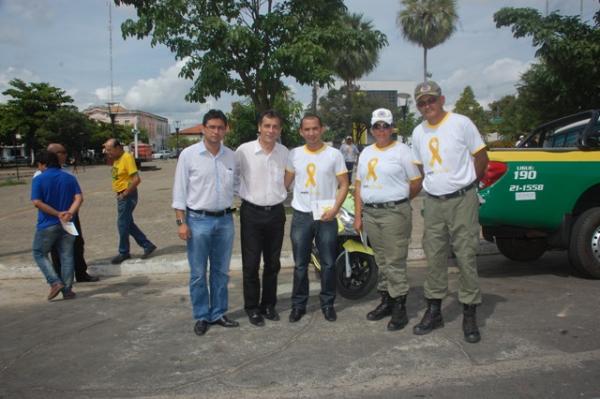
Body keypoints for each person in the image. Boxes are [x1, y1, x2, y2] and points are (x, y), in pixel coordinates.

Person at [410, 81, 489, 344]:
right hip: (433, 202)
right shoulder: (418, 132)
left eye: (431, 100)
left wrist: (467, 186)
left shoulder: (461, 123)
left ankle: (469, 311)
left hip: (462, 200)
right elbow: (421, 169)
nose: (427, 106)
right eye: (421, 103)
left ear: (441, 99)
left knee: (465, 255)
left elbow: (481, 157)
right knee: (433, 256)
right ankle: (434, 310)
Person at [353, 108, 422, 331]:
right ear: (372, 128)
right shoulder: (366, 152)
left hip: (394, 213)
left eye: (385, 126)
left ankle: (400, 307)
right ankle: (387, 301)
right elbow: (358, 185)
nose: (381, 130)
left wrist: (398, 200)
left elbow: (415, 182)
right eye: (377, 126)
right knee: (381, 260)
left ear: (392, 128)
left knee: (394, 261)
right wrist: (358, 214)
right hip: (371, 214)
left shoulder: (403, 151)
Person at [172, 109, 240, 336]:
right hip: (197, 220)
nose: (216, 131)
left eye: (220, 127)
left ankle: (218, 313)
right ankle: (201, 315)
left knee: (221, 272)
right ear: (203, 128)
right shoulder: (189, 155)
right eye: (212, 127)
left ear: (225, 130)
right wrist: (181, 222)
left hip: (225, 220)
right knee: (199, 273)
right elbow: (179, 191)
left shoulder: (231, 156)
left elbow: (239, 185)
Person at [284, 114, 349, 323]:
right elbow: (285, 183)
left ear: (322, 129)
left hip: (326, 216)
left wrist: (335, 209)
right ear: (301, 131)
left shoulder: (334, 154)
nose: (311, 133)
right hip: (302, 215)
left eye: (315, 129)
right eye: (307, 129)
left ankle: (328, 303)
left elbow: (344, 184)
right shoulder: (294, 154)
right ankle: (298, 305)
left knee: (328, 263)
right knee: (300, 264)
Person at [236, 109, 289, 327]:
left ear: (280, 130)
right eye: (267, 126)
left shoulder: (285, 152)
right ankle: (252, 307)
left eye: (275, 126)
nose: (271, 130)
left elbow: (289, 178)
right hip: (251, 213)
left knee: (272, 264)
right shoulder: (243, 151)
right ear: (259, 127)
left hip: (276, 213)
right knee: (250, 264)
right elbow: (232, 176)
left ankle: (268, 305)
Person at [33, 143, 98, 282]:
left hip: (69, 215)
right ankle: (62, 279)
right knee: (58, 250)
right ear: (53, 155)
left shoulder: (66, 171)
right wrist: (62, 213)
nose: (65, 155)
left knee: (77, 244)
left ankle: (80, 273)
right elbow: (39, 201)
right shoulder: (40, 174)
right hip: (55, 216)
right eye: (62, 152)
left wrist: (70, 212)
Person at [31, 150, 83, 300]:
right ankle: (67, 290)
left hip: (48, 223)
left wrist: (57, 213)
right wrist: (69, 213)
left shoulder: (39, 179)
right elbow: (79, 198)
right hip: (68, 223)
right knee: (67, 255)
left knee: (39, 253)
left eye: (39, 165)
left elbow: (37, 202)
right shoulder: (69, 177)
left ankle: (54, 282)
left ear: (43, 164)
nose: (39, 168)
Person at [103, 139, 156, 264]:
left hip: (127, 195)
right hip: (121, 194)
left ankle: (124, 252)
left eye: (110, 150)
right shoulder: (117, 158)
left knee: (122, 224)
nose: (108, 153)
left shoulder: (126, 158)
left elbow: (136, 179)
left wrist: (125, 193)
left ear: (118, 148)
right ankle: (147, 244)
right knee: (127, 223)